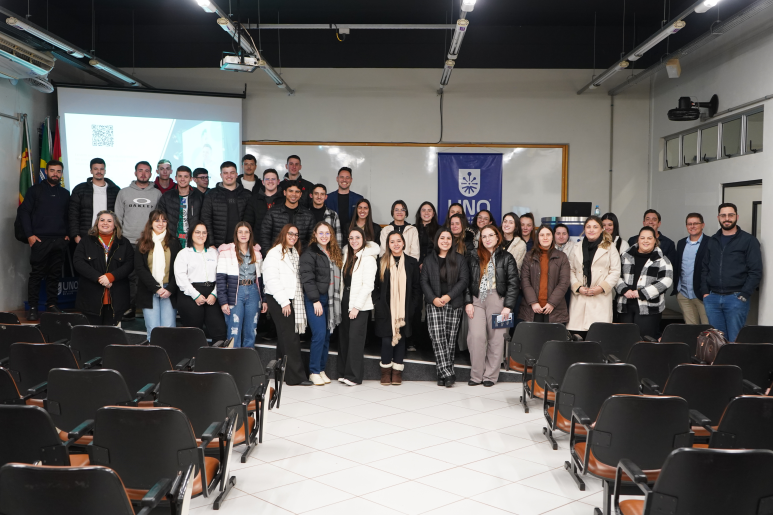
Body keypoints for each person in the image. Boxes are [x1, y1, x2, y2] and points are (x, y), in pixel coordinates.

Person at [464, 225, 519, 387]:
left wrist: (508, 306)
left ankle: (490, 376)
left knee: (497, 339)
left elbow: (514, 283)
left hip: (498, 299)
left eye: (490, 235)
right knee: (476, 337)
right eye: (484, 236)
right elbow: (465, 281)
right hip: (477, 299)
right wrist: (468, 302)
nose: (487, 239)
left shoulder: (507, 257)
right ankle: (476, 375)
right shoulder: (473, 255)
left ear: (497, 237)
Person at [701, 203, 763, 342]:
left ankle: (735, 359)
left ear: (737, 217)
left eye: (730, 215)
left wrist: (744, 294)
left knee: (735, 341)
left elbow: (755, 271)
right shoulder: (712, 241)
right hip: (713, 299)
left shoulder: (749, 241)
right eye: (723, 215)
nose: (727, 218)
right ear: (718, 217)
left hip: (736, 298)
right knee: (717, 341)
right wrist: (705, 292)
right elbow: (705, 267)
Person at [18, 160, 70, 321]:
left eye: (58, 171)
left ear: (61, 174)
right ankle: (33, 307)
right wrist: (30, 235)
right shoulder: (35, 190)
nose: (55, 174)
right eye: (52, 170)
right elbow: (24, 213)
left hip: (59, 240)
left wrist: (67, 234)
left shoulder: (65, 193)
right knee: (36, 275)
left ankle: (52, 305)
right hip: (40, 240)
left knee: (54, 275)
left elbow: (69, 215)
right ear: (46, 172)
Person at [263, 224, 311, 386]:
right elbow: (271, 280)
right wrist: (284, 302)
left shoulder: (293, 252)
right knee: (291, 338)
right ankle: (296, 377)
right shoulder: (274, 253)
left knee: (285, 337)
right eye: (290, 233)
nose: (293, 237)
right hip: (279, 299)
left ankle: (280, 372)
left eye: (296, 235)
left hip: (290, 299)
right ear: (283, 234)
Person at [421, 228, 470, 387]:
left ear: (452, 241)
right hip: (434, 303)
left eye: (448, 238)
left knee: (449, 339)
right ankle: (448, 373)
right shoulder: (429, 260)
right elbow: (423, 282)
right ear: (437, 240)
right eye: (442, 238)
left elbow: (464, 280)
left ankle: (442, 374)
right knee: (437, 337)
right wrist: (433, 298)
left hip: (454, 303)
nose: (445, 241)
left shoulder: (460, 259)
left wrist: (449, 296)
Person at [115, 161, 162, 320]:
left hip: (150, 242)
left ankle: (147, 308)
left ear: (151, 174)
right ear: (135, 173)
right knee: (129, 276)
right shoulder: (124, 192)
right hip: (128, 242)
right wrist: (119, 240)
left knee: (149, 276)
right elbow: (117, 218)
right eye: (140, 170)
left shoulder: (157, 194)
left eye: (146, 171)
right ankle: (129, 308)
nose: (143, 173)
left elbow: (159, 220)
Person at [374, 231, 421, 386]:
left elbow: (416, 288)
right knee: (387, 340)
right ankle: (385, 372)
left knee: (401, 340)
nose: (396, 244)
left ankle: (397, 372)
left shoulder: (412, 263)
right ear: (388, 244)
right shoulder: (380, 261)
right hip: (385, 308)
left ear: (403, 243)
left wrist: (412, 307)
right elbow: (375, 287)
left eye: (398, 241)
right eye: (392, 241)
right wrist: (378, 304)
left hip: (404, 309)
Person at [299, 222, 343, 385]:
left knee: (326, 336)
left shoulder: (333, 252)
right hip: (316, 299)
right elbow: (307, 278)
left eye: (327, 233)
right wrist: (315, 300)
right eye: (321, 233)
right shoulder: (310, 253)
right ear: (315, 235)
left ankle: (321, 369)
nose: (324, 236)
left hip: (330, 300)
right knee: (319, 334)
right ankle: (314, 371)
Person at [73, 210, 133, 326]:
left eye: (109, 221)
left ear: (115, 224)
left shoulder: (124, 243)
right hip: (90, 299)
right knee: (92, 334)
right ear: (97, 223)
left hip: (116, 299)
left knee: (111, 334)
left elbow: (129, 264)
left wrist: (111, 277)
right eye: (102, 220)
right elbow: (78, 262)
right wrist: (99, 278)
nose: (105, 223)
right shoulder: (85, 241)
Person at [615, 226, 673, 339]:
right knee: (625, 339)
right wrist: (624, 290)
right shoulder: (625, 256)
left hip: (650, 308)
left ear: (655, 241)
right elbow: (615, 275)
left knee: (645, 341)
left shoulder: (662, 259)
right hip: (625, 305)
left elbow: (666, 281)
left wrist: (641, 293)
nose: (645, 241)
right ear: (638, 239)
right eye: (642, 238)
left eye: (649, 238)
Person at [567, 216, 621, 336]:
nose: (591, 230)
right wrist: (577, 287)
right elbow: (570, 270)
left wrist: (601, 288)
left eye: (595, 227)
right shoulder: (576, 247)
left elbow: (615, 271)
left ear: (602, 229)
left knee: (598, 337)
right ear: (584, 229)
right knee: (577, 338)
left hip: (600, 299)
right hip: (579, 299)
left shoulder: (610, 247)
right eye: (588, 227)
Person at [337, 227, 378, 386]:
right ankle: (343, 373)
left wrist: (356, 307)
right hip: (345, 299)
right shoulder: (348, 256)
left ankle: (354, 376)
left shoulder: (368, 258)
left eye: (357, 238)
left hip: (360, 303)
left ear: (364, 239)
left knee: (355, 339)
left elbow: (368, 286)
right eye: (351, 238)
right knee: (344, 338)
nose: (354, 241)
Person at [173, 222, 227, 342]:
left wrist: (215, 294)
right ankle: (192, 355)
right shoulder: (184, 254)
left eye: (204, 232)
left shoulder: (214, 253)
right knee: (193, 334)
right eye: (197, 232)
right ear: (191, 234)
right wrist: (195, 295)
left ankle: (217, 355)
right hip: (190, 294)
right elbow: (181, 278)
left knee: (220, 332)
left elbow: (221, 275)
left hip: (212, 293)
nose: (201, 235)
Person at [135, 210, 181, 341]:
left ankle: (168, 354)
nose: (161, 223)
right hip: (149, 290)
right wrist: (156, 288)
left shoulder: (174, 242)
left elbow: (179, 269)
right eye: (157, 220)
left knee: (168, 329)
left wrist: (170, 289)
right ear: (151, 223)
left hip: (169, 290)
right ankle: (154, 354)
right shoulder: (142, 243)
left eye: (164, 220)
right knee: (153, 329)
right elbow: (139, 268)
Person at [216, 222, 264, 348]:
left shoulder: (256, 253)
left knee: (251, 328)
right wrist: (223, 301)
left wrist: (264, 299)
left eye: (246, 232)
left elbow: (261, 279)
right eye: (240, 232)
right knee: (234, 328)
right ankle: (232, 357)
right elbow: (220, 278)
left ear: (250, 234)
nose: (243, 234)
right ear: (236, 234)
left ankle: (248, 357)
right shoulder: (226, 252)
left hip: (253, 291)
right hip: (236, 291)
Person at [518, 225, 571, 324]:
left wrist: (552, 303)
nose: (545, 238)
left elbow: (564, 282)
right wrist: (533, 302)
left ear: (552, 237)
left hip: (554, 308)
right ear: (538, 238)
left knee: (552, 334)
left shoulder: (562, 257)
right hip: (532, 308)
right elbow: (525, 280)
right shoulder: (529, 256)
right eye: (542, 235)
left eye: (548, 235)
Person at [200, 161, 253, 247]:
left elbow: (251, 221)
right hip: (218, 245)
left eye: (232, 173)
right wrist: (211, 243)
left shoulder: (247, 195)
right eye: (225, 173)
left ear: (236, 174)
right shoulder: (211, 195)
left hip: (242, 245)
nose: (229, 176)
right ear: (221, 175)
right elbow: (206, 220)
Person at [69, 158, 120, 243]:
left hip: (109, 235)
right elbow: (73, 214)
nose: (99, 171)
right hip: (85, 235)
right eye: (95, 169)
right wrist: (75, 235)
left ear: (105, 171)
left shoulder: (115, 190)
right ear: (91, 171)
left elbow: (119, 214)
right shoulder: (80, 189)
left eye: (101, 169)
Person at [259, 181, 315, 257]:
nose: (294, 194)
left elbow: (311, 240)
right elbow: (264, 237)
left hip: (300, 257)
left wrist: (304, 257)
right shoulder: (272, 213)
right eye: (290, 191)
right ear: (284, 193)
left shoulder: (308, 215)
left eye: (297, 192)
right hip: (276, 257)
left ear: (300, 194)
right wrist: (270, 256)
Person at [673, 213, 709, 325]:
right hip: (684, 295)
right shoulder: (681, 243)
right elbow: (677, 266)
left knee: (708, 329)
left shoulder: (710, 243)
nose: (692, 226)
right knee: (691, 329)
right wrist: (678, 291)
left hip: (703, 295)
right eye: (689, 224)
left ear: (702, 225)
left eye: (695, 223)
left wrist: (707, 292)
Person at [157, 166, 204, 249]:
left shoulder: (199, 196)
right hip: (172, 241)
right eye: (180, 176)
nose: (182, 179)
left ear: (191, 179)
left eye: (186, 176)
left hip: (194, 241)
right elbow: (160, 218)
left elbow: (205, 219)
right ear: (175, 178)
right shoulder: (167, 196)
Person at [244, 169, 283, 241]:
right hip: (258, 242)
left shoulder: (284, 200)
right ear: (263, 182)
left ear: (278, 182)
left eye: (273, 179)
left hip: (280, 242)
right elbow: (248, 224)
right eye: (267, 179)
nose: (270, 181)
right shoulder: (253, 200)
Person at [325, 167, 362, 234]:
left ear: (351, 180)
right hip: (332, 235)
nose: (344, 180)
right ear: (337, 179)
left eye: (347, 177)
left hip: (352, 235)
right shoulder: (328, 198)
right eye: (341, 177)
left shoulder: (358, 199)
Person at [309, 184, 343, 248]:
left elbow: (338, 237)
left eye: (322, 194)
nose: (319, 197)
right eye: (316, 194)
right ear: (311, 195)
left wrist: (338, 252)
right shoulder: (305, 214)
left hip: (328, 251)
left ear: (326, 197)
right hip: (309, 251)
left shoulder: (333, 215)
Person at [416, 202, 440, 268]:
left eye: (429, 210)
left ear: (433, 214)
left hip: (434, 266)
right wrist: (419, 263)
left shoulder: (439, 229)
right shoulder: (413, 229)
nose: (426, 213)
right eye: (423, 210)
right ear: (420, 213)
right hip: (415, 266)